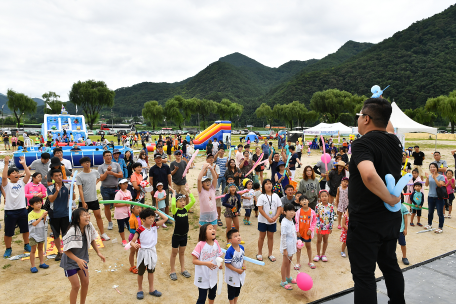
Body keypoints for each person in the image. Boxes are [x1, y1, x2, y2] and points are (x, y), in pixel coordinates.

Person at [347, 98, 405, 303]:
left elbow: (369, 175)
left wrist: (389, 198)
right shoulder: (395, 141)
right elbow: (386, 124)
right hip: (390, 221)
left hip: (366, 222)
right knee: (390, 266)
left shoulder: (362, 143)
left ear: (366, 118)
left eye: (360, 115)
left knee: (364, 276)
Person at [61, 208, 106, 304]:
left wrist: (98, 252)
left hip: (82, 260)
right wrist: (77, 260)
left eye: (88, 214)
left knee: (85, 283)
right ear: (77, 219)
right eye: (84, 215)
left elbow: (92, 238)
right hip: (70, 262)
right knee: (76, 286)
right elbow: (65, 250)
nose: (87, 216)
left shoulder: (89, 226)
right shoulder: (72, 231)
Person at [130, 208, 168, 299]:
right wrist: (134, 244)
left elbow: (165, 218)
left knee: (151, 271)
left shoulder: (154, 225)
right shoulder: (140, 229)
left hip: (152, 251)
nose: (152, 219)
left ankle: (151, 289)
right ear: (143, 219)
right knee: (141, 272)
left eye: (153, 217)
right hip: (143, 253)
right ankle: (140, 289)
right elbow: (132, 241)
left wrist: (157, 212)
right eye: (149, 218)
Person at [2, 156, 32, 258]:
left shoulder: (22, 183)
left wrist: (23, 163)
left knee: (25, 229)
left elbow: (28, 174)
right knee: (9, 232)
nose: (16, 174)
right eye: (13, 173)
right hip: (10, 211)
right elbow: (4, 177)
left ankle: (27, 244)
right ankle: (8, 248)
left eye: (17, 172)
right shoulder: (6, 185)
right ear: (9, 176)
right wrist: (6, 164)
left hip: (22, 210)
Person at [76, 157, 109, 241]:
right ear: (81, 164)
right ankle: (83, 235)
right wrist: (83, 202)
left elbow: (99, 178)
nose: (87, 164)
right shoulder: (79, 176)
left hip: (94, 199)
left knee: (98, 216)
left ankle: (103, 234)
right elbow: (80, 189)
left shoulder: (95, 172)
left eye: (88, 162)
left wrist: (95, 183)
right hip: (83, 200)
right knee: (83, 218)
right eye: (85, 162)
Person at [48, 169, 76, 261]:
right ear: (52, 178)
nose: (59, 177)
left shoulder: (68, 186)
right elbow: (51, 200)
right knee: (56, 235)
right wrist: (57, 191)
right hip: (54, 214)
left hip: (65, 214)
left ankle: (67, 251)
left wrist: (73, 190)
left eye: (60, 175)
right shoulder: (50, 188)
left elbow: (73, 198)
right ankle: (59, 252)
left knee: (66, 234)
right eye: (56, 176)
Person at [192, 224, 223, 304]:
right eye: (210, 229)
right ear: (204, 233)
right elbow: (194, 261)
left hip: (213, 276)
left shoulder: (216, 242)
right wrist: (206, 263)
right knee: (202, 298)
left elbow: (219, 255)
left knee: (212, 295)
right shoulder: (200, 244)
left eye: (213, 228)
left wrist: (220, 264)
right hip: (203, 277)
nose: (213, 230)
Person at [169, 188, 196, 281]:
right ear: (176, 203)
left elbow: (193, 201)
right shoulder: (175, 210)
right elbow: (172, 204)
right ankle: (172, 270)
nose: (183, 202)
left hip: (184, 235)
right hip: (176, 236)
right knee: (174, 253)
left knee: (182, 253)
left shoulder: (186, 209)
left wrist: (189, 191)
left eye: (184, 200)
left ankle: (182, 269)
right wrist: (173, 193)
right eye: (180, 201)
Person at [256, 179, 283, 262]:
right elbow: (260, 209)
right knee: (262, 236)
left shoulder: (276, 196)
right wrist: (268, 218)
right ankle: (259, 253)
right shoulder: (261, 196)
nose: (269, 185)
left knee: (271, 237)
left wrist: (275, 217)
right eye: (267, 184)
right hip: (263, 220)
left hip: (273, 220)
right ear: (263, 186)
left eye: (270, 183)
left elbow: (279, 207)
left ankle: (270, 254)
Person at [98, 150, 123, 230]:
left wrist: (113, 173)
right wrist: (107, 172)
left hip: (115, 188)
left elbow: (121, 175)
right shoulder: (101, 167)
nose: (109, 156)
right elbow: (101, 178)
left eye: (110, 155)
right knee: (107, 206)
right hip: (105, 189)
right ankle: (110, 222)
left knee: (119, 205)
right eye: (107, 155)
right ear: (104, 157)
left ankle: (122, 221)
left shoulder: (116, 164)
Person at [27, 196, 50, 273]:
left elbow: (45, 223)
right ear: (32, 205)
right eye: (36, 203)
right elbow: (34, 224)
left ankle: (42, 263)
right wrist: (42, 216)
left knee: (41, 248)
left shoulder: (43, 211)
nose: (39, 205)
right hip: (33, 235)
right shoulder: (31, 214)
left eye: (40, 203)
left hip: (41, 233)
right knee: (33, 250)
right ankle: (33, 266)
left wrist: (45, 217)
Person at [149, 154, 173, 225]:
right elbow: (151, 179)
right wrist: (152, 189)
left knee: (166, 204)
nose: (159, 159)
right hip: (156, 190)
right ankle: (155, 219)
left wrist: (170, 186)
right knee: (155, 205)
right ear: (154, 160)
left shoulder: (166, 166)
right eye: (157, 158)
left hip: (165, 188)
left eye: (160, 158)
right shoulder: (152, 169)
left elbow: (169, 176)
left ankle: (166, 218)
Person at [295, 195, 316, 270]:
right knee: (298, 247)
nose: (304, 201)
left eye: (305, 199)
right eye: (302, 200)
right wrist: (297, 231)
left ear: (308, 201)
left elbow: (314, 222)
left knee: (308, 246)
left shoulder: (312, 212)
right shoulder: (298, 212)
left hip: (308, 233)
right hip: (300, 233)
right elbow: (296, 222)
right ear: (300, 203)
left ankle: (310, 261)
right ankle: (298, 262)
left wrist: (311, 229)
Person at [224, 229, 246, 304]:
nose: (238, 237)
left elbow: (243, 258)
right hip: (232, 276)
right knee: (231, 292)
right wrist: (237, 270)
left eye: (239, 235)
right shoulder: (230, 251)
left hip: (240, 274)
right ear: (230, 240)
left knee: (237, 291)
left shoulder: (242, 248)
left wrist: (243, 264)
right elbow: (227, 264)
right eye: (235, 236)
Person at [280, 203, 298, 291]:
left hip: (292, 245)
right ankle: (283, 281)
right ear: (284, 212)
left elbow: (293, 233)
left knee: (289, 262)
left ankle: (288, 277)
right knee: (285, 263)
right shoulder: (284, 223)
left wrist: (297, 243)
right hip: (286, 246)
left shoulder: (291, 220)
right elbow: (283, 237)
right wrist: (284, 249)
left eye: (293, 210)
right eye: (289, 210)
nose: (292, 212)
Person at [313, 190, 334, 262]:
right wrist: (318, 226)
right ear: (320, 197)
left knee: (325, 240)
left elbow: (332, 217)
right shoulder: (318, 206)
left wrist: (330, 227)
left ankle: (323, 254)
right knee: (319, 240)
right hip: (320, 227)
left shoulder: (331, 206)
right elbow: (317, 217)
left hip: (327, 227)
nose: (324, 197)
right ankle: (318, 254)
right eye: (322, 196)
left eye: (325, 196)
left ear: (328, 197)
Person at [424, 163, 446, 233]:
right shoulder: (429, 176)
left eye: (434, 167)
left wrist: (435, 178)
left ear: (437, 168)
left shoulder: (441, 176)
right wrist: (427, 178)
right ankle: (429, 224)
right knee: (430, 212)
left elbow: (440, 185)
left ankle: (440, 227)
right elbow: (426, 185)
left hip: (438, 197)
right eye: (431, 167)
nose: (432, 168)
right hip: (430, 196)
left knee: (440, 213)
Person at [198, 164, 219, 229]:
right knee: (202, 236)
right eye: (205, 181)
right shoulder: (201, 191)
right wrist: (203, 168)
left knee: (213, 234)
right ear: (202, 184)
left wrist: (211, 168)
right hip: (204, 217)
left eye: (208, 181)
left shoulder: (212, 189)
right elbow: (199, 179)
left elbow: (215, 178)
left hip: (213, 216)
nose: (208, 183)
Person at [114, 179, 132, 246]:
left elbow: (130, 200)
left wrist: (129, 204)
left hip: (127, 213)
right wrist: (125, 204)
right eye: (124, 184)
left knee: (130, 226)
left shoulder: (129, 192)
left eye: (126, 184)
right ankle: (123, 240)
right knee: (121, 227)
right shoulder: (118, 193)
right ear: (120, 185)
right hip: (120, 214)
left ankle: (132, 239)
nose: (126, 185)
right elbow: (115, 204)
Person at [128, 205, 142, 274]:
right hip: (133, 238)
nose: (139, 209)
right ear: (132, 210)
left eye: (140, 207)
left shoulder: (141, 216)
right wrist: (139, 231)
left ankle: (139, 265)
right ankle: (132, 266)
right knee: (132, 252)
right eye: (137, 208)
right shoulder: (131, 219)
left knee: (139, 252)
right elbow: (131, 230)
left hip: (139, 237)